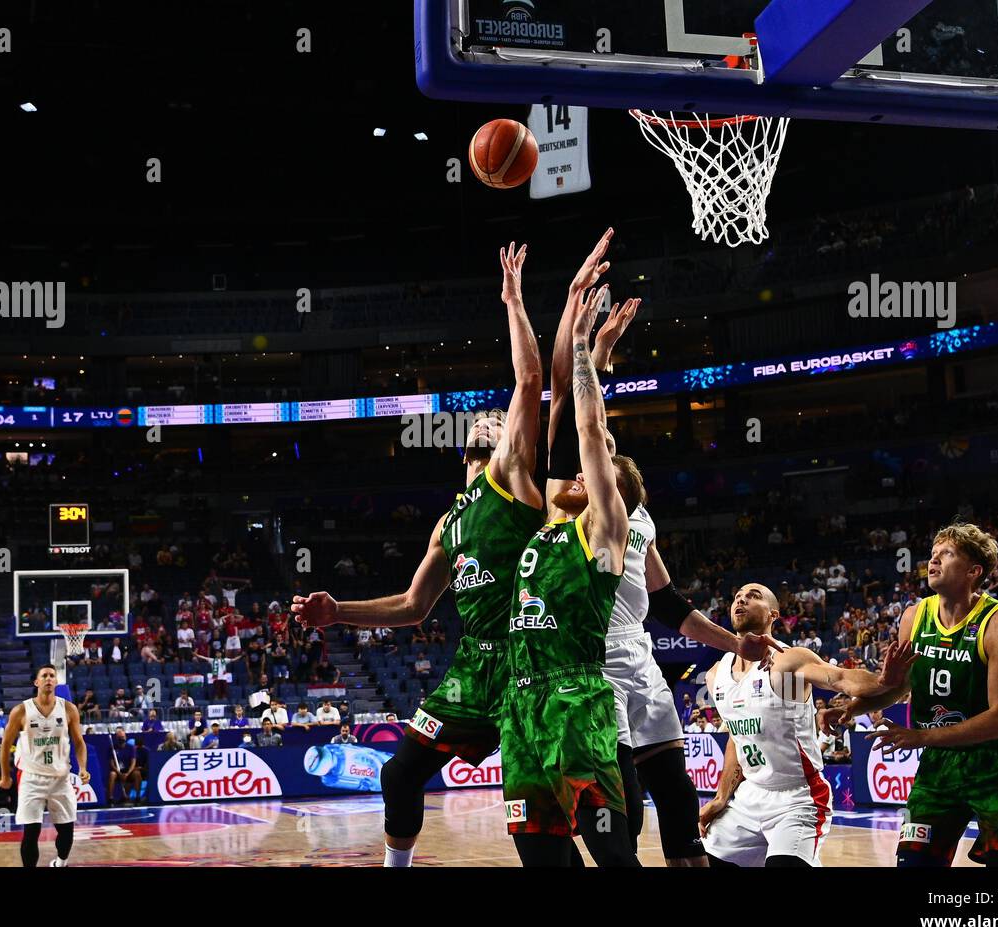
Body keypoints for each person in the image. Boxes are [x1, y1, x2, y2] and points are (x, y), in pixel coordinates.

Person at [294, 240, 547, 868]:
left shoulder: (512, 478)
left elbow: (530, 380)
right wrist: (338, 613)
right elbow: (412, 606)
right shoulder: (448, 522)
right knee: (399, 774)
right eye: (488, 422)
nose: (497, 422)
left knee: (534, 816)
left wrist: (513, 301)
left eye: (501, 421)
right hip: (470, 672)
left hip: (527, 668)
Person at [542, 242, 780, 866]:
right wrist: (590, 343)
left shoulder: (637, 518)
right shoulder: (567, 511)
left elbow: (670, 605)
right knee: (618, 802)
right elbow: (580, 417)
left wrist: (737, 642)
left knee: (676, 796)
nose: (591, 462)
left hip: (639, 661)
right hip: (590, 669)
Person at [498, 278, 643, 867]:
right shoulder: (551, 519)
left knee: (612, 852)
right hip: (522, 708)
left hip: (576, 702)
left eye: (599, 470)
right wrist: (521, 305)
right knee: (537, 852)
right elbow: (555, 400)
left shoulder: (604, 533)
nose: (580, 474)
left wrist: (583, 344)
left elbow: (585, 430)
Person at [824, 523, 998, 867]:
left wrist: (921, 736)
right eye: (932, 555)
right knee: (913, 862)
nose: (933, 562)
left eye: (946, 554)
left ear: (972, 571)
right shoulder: (914, 616)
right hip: (939, 763)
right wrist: (853, 706)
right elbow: (902, 687)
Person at [698, 584, 915, 867]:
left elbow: (839, 678)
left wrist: (883, 681)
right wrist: (721, 797)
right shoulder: (716, 675)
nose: (741, 600)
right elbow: (737, 739)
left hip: (798, 796)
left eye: (753, 596)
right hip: (750, 795)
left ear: (772, 614)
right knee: (699, 860)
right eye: (737, 596)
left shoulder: (788, 660)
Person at [0, 664, 90, 867]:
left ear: (56, 681)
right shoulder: (21, 710)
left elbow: (79, 743)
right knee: (31, 832)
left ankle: (61, 861)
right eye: (44, 676)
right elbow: (5, 745)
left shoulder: (68, 709)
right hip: (32, 777)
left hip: (61, 778)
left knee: (66, 832)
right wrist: (6, 776)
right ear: (36, 682)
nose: (49, 678)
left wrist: (83, 768)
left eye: (52, 675)